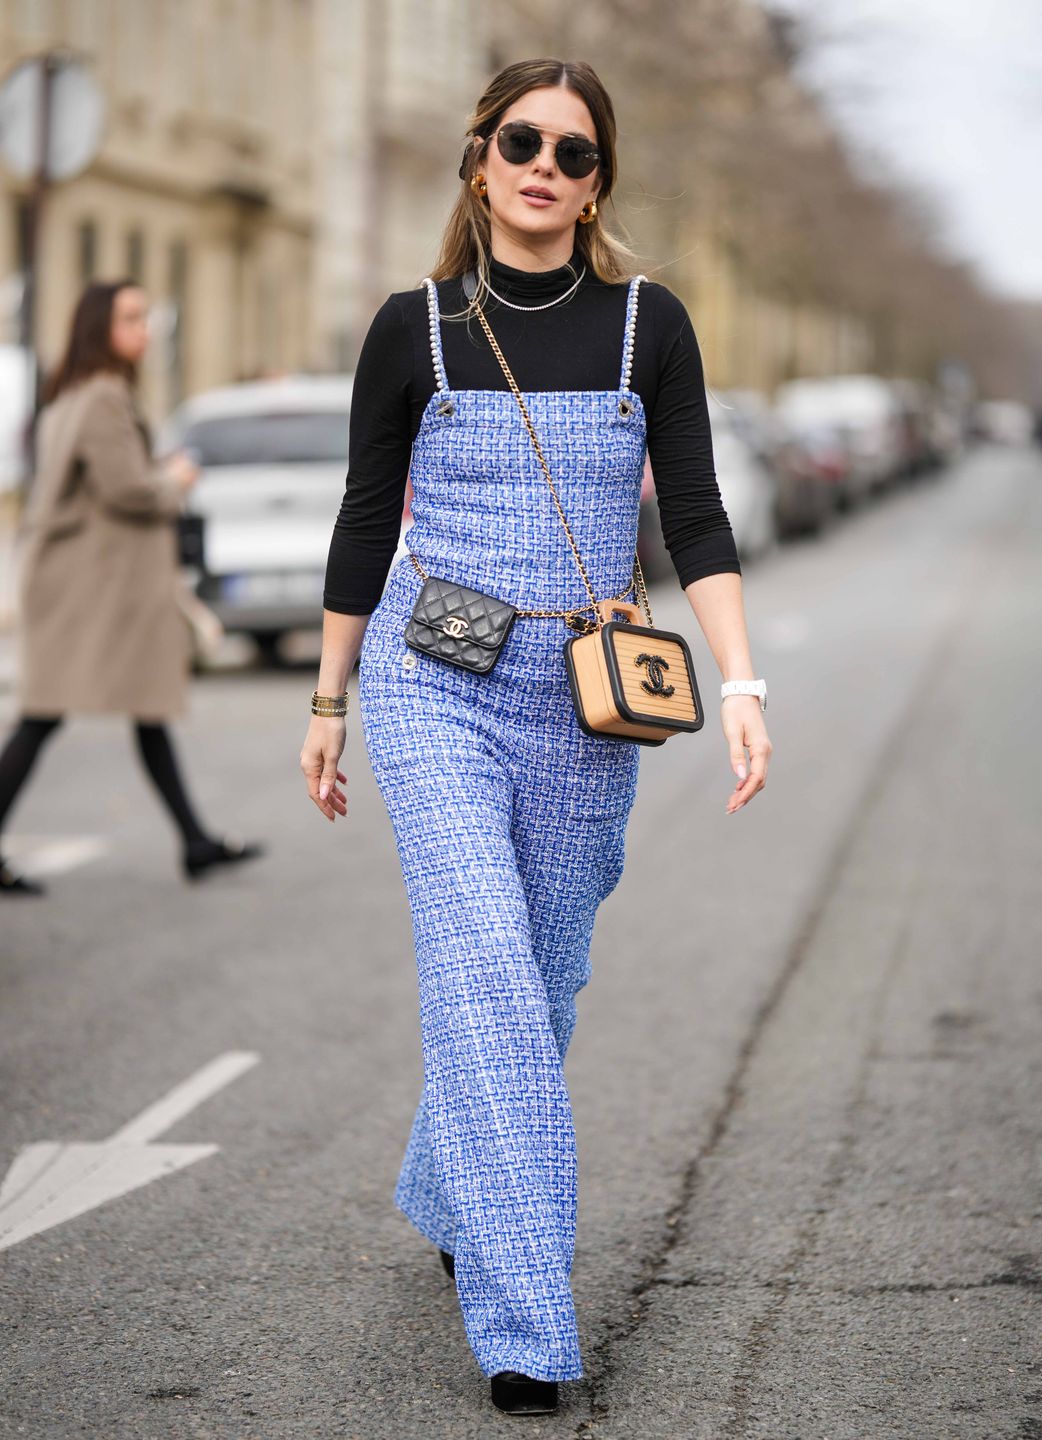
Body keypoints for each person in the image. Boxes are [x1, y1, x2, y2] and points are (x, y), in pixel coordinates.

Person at [300, 59, 772, 1416]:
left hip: (583, 694)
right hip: (431, 674)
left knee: (544, 982)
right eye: (522, 142)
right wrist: (330, 702)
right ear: (480, 156)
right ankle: (524, 1323)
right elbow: (358, 522)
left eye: (574, 153)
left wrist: (743, 686)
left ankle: (450, 1186)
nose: (545, 169)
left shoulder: (648, 327)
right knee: (489, 978)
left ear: (597, 181)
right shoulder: (416, 328)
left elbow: (698, 518)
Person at [0, 279, 264, 895]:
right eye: (131, 317)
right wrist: (174, 479)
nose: (145, 328)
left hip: (92, 585)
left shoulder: (81, 393)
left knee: (138, 710)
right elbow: (126, 488)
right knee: (43, 714)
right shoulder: (101, 397)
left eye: (146, 316)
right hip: (88, 590)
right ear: (100, 328)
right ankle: (196, 842)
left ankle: (196, 841)